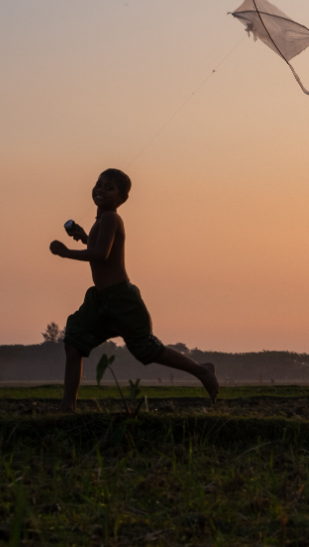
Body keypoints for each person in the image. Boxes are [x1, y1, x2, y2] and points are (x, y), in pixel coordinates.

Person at [50, 169, 219, 411]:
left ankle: (202, 369)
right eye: (99, 184)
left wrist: (66, 252)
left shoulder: (111, 219)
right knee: (74, 342)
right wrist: (84, 237)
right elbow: (100, 251)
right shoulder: (102, 220)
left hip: (121, 300)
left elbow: (101, 254)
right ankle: (67, 407)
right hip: (101, 301)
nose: (100, 189)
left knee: (146, 349)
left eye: (109, 188)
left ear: (121, 199)